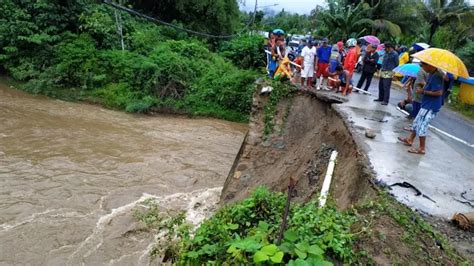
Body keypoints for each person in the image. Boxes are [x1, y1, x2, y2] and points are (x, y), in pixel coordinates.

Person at [398, 62, 445, 155]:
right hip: (426, 104)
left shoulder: (437, 76)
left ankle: (422, 148)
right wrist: (424, 87)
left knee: (422, 126)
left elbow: (439, 92)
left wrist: (424, 91)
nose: (422, 68)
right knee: (416, 122)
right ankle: (410, 139)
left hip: (431, 106)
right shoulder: (431, 74)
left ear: (430, 65)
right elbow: (431, 87)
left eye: (423, 65)